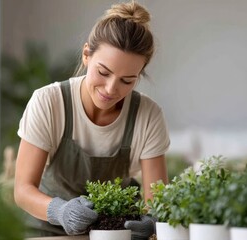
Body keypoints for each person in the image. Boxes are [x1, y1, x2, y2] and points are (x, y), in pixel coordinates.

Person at [14, 1, 170, 239]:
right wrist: (61, 211)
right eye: (103, 72)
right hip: (47, 231)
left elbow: (155, 202)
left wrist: (150, 222)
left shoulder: (148, 115)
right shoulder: (49, 102)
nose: (110, 89)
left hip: (116, 234)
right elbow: (23, 190)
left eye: (127, 81)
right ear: (86, 55)